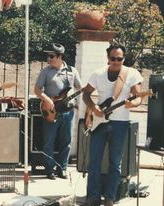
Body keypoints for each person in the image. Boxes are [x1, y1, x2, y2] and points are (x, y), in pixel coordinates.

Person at [82, 44, 143, 206]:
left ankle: (110, 198)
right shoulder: (98, 73)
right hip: (99, 123)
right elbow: (86, 94)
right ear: (107, 58)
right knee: (93, 162)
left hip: (120, 123)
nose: (116, 62)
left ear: (124, 59)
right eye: (113, 58)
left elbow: (138, 97)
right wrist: (93, 108)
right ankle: (93, 197)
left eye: (120, 59)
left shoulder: (131, 74)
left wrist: (134, 104)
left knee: (115, 164)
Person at [34, 43, 82, 180]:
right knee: (48, 142)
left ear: (60, 57)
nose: (48, 59)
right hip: (51, 111)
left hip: (68, 112)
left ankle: (63, 169)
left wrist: (73, 94)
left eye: (51, 56)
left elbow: (80, 87)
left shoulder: (72, 71)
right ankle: (49, 170)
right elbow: (37, 90)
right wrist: (47, 99)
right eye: (47, 56)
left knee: (66, 142)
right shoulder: (46, 72)